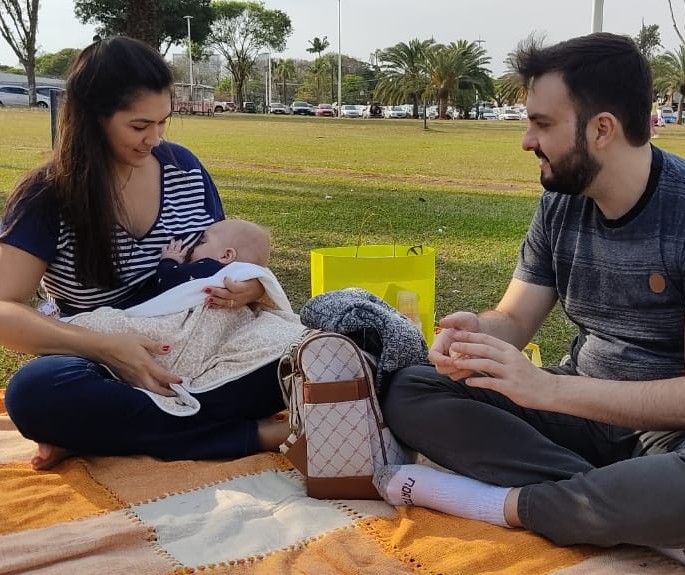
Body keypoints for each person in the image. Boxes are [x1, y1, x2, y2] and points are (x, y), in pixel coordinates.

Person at [374, 32, 685, 560]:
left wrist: (546, 390)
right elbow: (514, 319)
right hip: (583, 415)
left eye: (542, 124)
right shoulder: (561, 205)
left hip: (667, 431)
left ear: (602, 129)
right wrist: (476, 333)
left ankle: (502, 504)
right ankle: (619, 501)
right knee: (411, 390)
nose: (525, 140)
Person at [0, 36, 289, 471]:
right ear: (93, 119)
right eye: (139, 126)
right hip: (99, 363)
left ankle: (102, 430)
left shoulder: (184, 169)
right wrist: (107, 348)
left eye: (163, 123)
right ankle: (253, 433)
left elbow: (225, 258)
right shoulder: (48, 195)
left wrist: (248, 287)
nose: (154, 138)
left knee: (320, 344)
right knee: (36, 393)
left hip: (206, 352)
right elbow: (4, 309)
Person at [154, 218, 271, 293]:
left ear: (226, 256)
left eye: (202, 242)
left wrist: (169, 260)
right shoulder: (240, 280)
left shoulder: (210, 267)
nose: (193, 247)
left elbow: (168, 280)